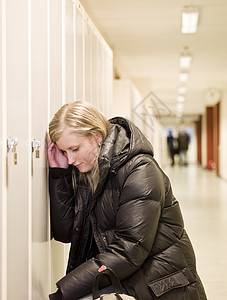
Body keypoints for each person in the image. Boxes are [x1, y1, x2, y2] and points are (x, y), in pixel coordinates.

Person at [48, 101, 207, 300]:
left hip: (164, 286)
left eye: (74, 148)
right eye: (64, 152)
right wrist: (59, 174)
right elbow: (67, 232)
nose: (70, 159)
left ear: (97, 136)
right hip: (128, 277)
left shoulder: (140, 170)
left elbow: (130, 248)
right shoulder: (87, 170)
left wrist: (65, 290)